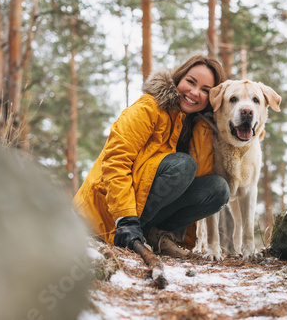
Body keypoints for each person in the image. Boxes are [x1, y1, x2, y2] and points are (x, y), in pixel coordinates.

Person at [73, 55, 229, 257]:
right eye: (190, 82)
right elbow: (115, 163)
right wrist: (125, 220)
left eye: (206, 90)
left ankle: (153, 234)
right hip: (105, 210)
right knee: (183, 166)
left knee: (218, 189)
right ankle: (126, 231)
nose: (194, 92)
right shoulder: (149, 107)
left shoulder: (194, 125)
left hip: (139, 208)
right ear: (178, 78)